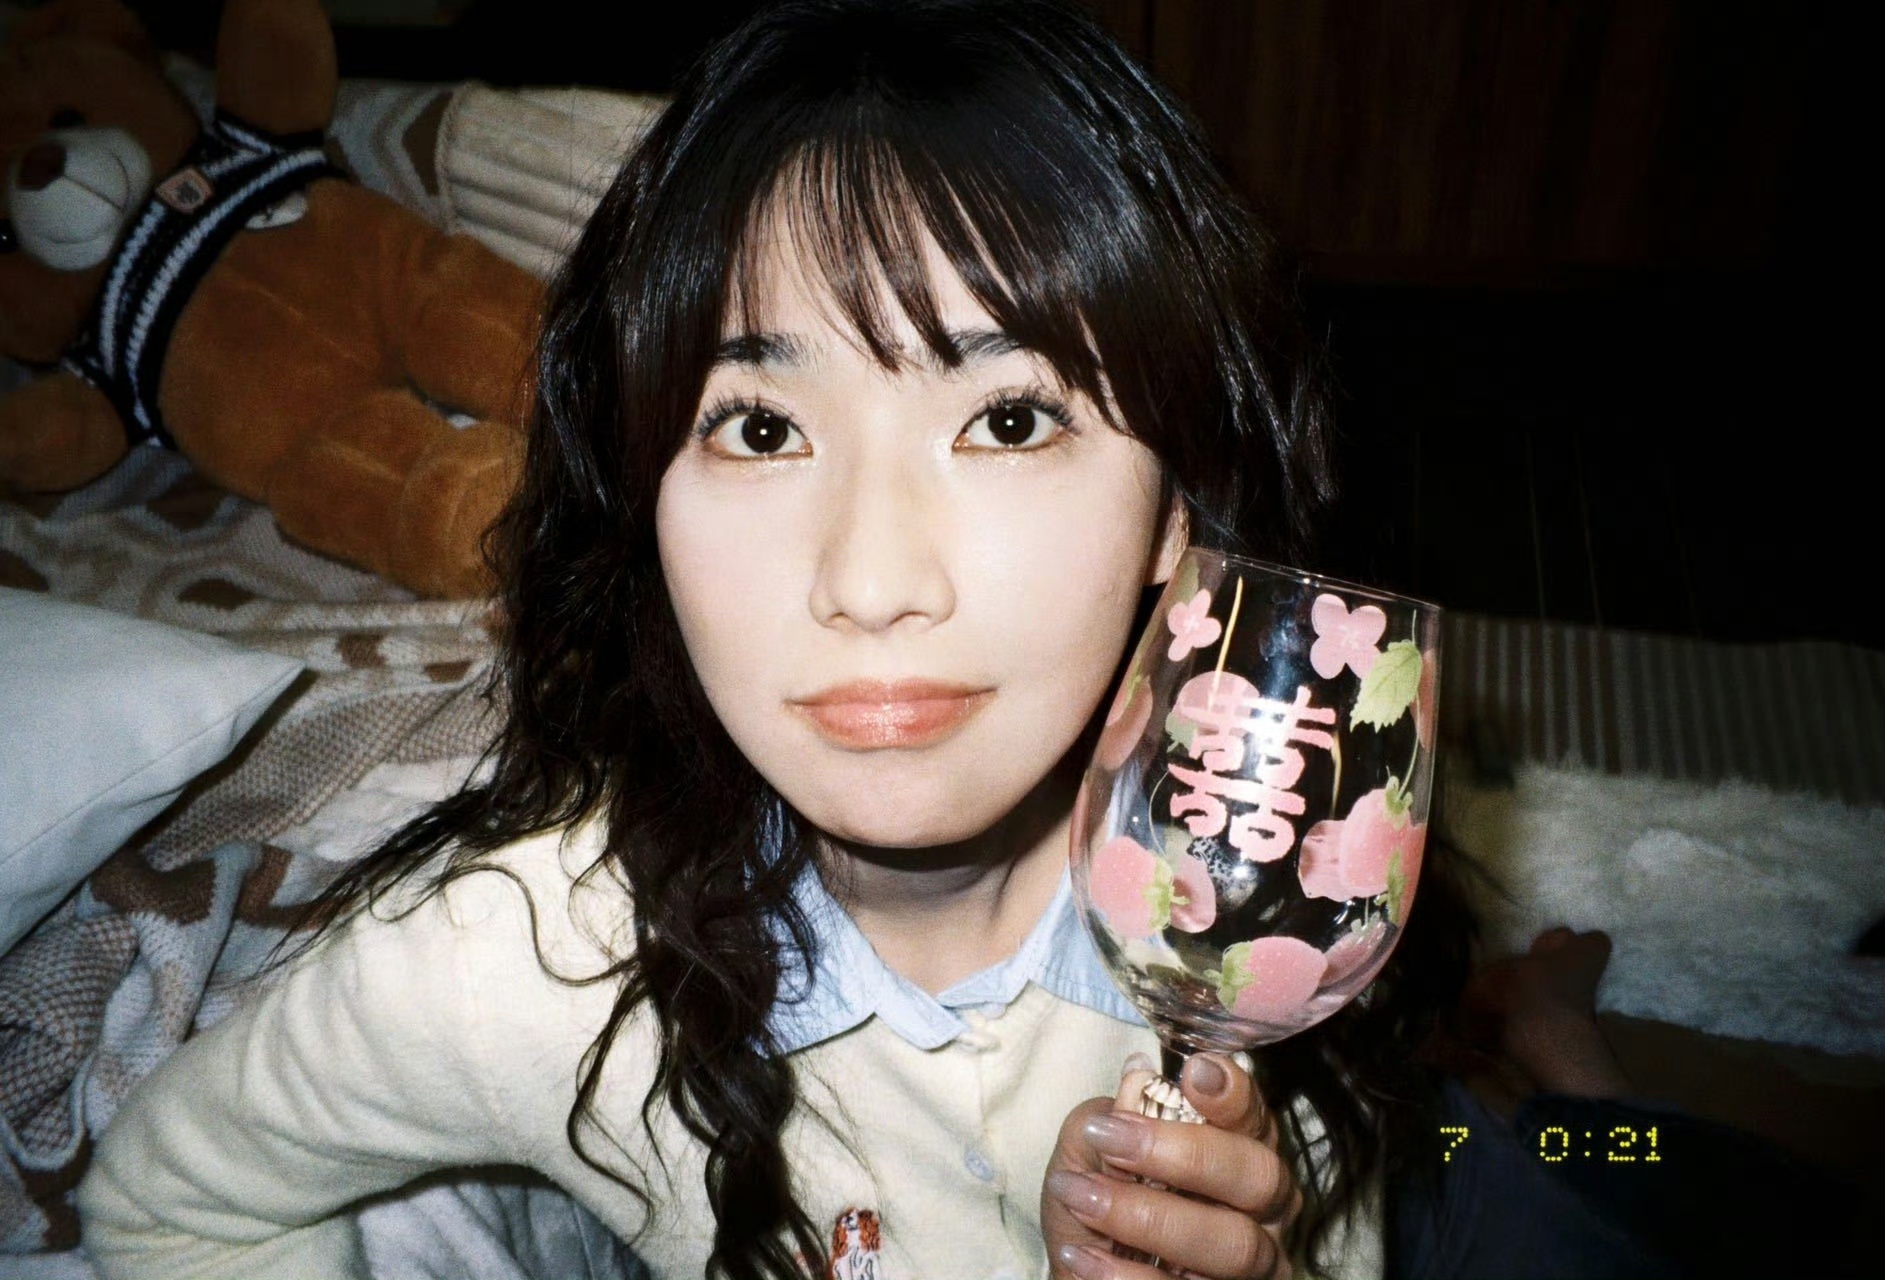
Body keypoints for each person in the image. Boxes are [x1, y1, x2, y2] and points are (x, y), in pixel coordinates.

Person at [76, 2, 1480, 1277]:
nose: (867, 583)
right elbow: (166, 1204)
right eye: (760, 429)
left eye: (1006, 420)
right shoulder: (522, 961)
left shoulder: (1282, 882)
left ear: (1176, 513)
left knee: (1549, 1161)